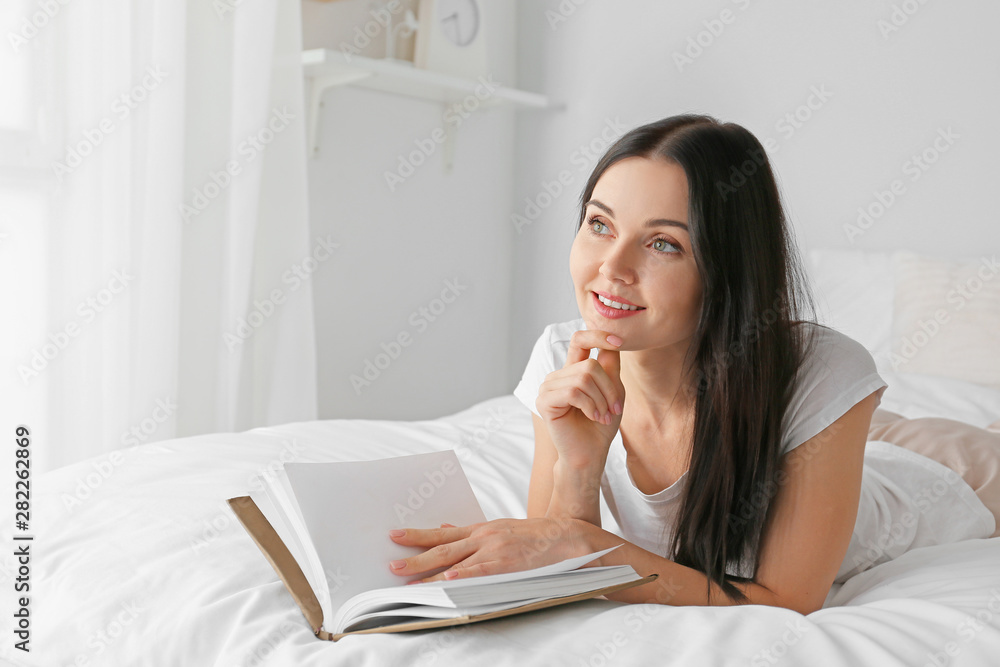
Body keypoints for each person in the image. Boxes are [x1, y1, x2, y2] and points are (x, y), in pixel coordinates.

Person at [385, 114, 991, 614]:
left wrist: (589, 551)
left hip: (937, 470)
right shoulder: (562, 355)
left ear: (727, 271)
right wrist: (579, 465)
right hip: (825, 438)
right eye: (599, 224)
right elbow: (558, 556)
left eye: (663, 243)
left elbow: (785, 600)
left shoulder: (823, 372)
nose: (611, 267)